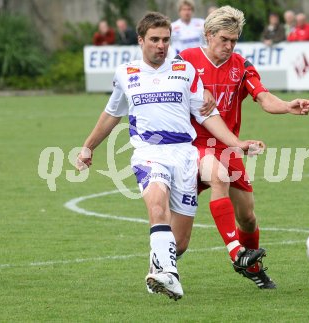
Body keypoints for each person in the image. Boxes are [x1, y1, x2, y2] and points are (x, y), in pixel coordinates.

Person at [77, 12, 264, 301]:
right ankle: (170, 277)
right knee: (156, 201)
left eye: (165, 40)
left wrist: (236, 143)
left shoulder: (184, 70)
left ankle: (159, 269)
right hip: (149, 154)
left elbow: (208, 115)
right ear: (141, 41)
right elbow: (111, 114)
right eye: (154, 39)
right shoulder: (126, 74)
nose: (160, 45)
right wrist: (88, 147)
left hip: (185, 156)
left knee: (180, 242)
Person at [176, 6, 309, 289]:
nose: (229, 46)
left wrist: (287, 106)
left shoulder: (241, 65)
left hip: (228, 148)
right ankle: (171, 265)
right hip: (192, 147)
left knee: (248, 218)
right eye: (224, 39)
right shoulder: (185, 62)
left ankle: (251, 266)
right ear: (208, 34)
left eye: (234, 41)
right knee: (179, 242)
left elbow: (263, 97)